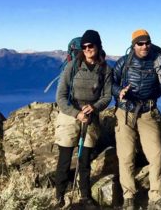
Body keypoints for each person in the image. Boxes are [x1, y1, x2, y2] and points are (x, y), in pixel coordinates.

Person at [112, 29, 161, 210]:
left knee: (156, 153)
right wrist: (119, 92)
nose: (144, 46)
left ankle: (156, 196)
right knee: (126, 156)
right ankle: (129, 196)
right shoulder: (124, 62)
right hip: (125, 112)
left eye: (147, 43)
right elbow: (110, 83)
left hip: (148, 113)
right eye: (140, 43)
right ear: (133, 45)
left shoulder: (157, 62)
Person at [54, 30, 112, 208]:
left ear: (98, 46)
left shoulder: (105, 69)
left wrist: (94, 107)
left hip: (90, 116)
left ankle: (85, 196)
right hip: (70, 115)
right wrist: (76, 113)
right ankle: (59, 197)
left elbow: (107, 96)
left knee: (84, 160)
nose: (87, 49)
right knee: (64, 160)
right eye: (84, 46)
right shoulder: (72, 67)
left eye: (91, 46)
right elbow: (60, 97)